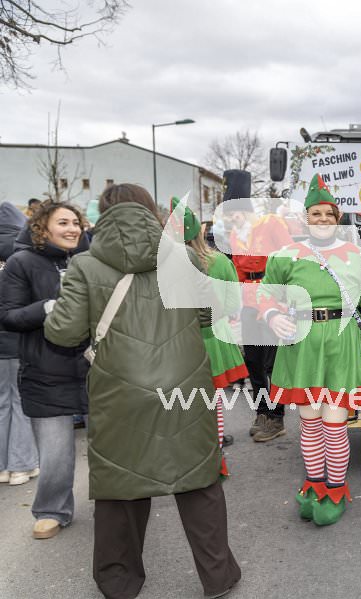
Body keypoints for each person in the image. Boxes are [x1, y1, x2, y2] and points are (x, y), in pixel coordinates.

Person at [43, 183, 241, 598]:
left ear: (103, 214)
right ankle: (218, 576)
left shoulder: (85, 265)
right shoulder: (184, 257)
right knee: (198, 480)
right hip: (185, 385)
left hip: (119, 392)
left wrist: (51, 311)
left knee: (121, 486)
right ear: (150, 212)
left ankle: (119, 581)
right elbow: (211, 314)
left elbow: (64, 334)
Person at [258, 175, 361, 526]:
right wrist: (272, 316)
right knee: (309, 424)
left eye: (329, 213)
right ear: (306, 218)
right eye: (316, 213)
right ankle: (313, 485)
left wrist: (357, 331)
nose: (323, 219)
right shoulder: (286, 256)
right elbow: (265, 293)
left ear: (337, 218)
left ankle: (335, 490)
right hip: (300, 345)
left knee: (334, 424)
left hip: (339, 344)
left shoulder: (358, 256)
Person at [0, 200, 89, 539]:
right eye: (63, 222)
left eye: (76, 222)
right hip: (45, 370)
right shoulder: (21, 263)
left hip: (95, 368)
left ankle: (116, 504)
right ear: (42, 227)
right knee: (55, 454)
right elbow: (8, 316)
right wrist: (47, 308)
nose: (72, 228)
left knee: (109, 446)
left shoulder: (90, 260)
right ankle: (52, 509)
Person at [172, 197, 247, 453]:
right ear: (200, 231)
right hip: (214, 336)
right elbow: (234, 303)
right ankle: (215, 442)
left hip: (180, 339)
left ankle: (193, 444)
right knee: (212, 397)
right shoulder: (220, 261)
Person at [224, 169, 294, 443]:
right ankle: (262, 413)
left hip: (273, 299)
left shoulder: (271, 223)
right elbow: (238, 271)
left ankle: (276, 417)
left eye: (235, 211)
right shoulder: (235, 235)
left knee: (272, 364)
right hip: (249, 303)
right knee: (253, 362)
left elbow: (289, 257)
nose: (232, 217)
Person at [0, 201, 40, 487]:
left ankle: (3, 466)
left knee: (2, 404)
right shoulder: (23, 260)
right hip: (19, 342)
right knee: (21, 402)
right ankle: (22, 465)